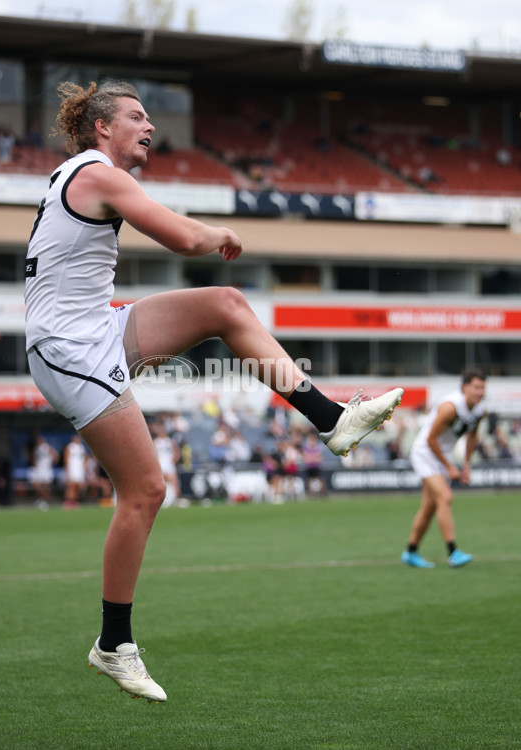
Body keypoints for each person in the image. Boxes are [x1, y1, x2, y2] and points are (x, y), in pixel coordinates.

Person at [24, 78, 404, 704]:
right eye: (136, 116)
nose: (149, 126)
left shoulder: (85, 172)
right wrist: (219, 234)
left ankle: (332, 418)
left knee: (226, 306)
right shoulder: (97, 172)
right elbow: (179, 237)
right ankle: (113, 645)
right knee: (146, 489)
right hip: (68, 348)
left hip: (93, 328)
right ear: (102, 128)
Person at [401, 369, 487, 570]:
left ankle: (410, 552)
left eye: (482, 387)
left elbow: (472, 436)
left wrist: (466, 465)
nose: (480, 392)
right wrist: (449, 467)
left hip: (442, 457)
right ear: (465, 387)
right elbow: (430, 440)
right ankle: (453, 552)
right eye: (476, 387)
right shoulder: (450, 407)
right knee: (445, 497)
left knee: (429, 508)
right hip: (425, 453)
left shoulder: (480, 410)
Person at [63, 435, 87, 509]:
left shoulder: (81, 447)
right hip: (72, 468)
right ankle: (68, 501)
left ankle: (75, 500)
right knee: (71, 485)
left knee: (78, 486)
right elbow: (66, 458)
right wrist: (67, 469)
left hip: (79, 470)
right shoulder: (70, 447)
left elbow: (85, 458)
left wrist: (84, 467)